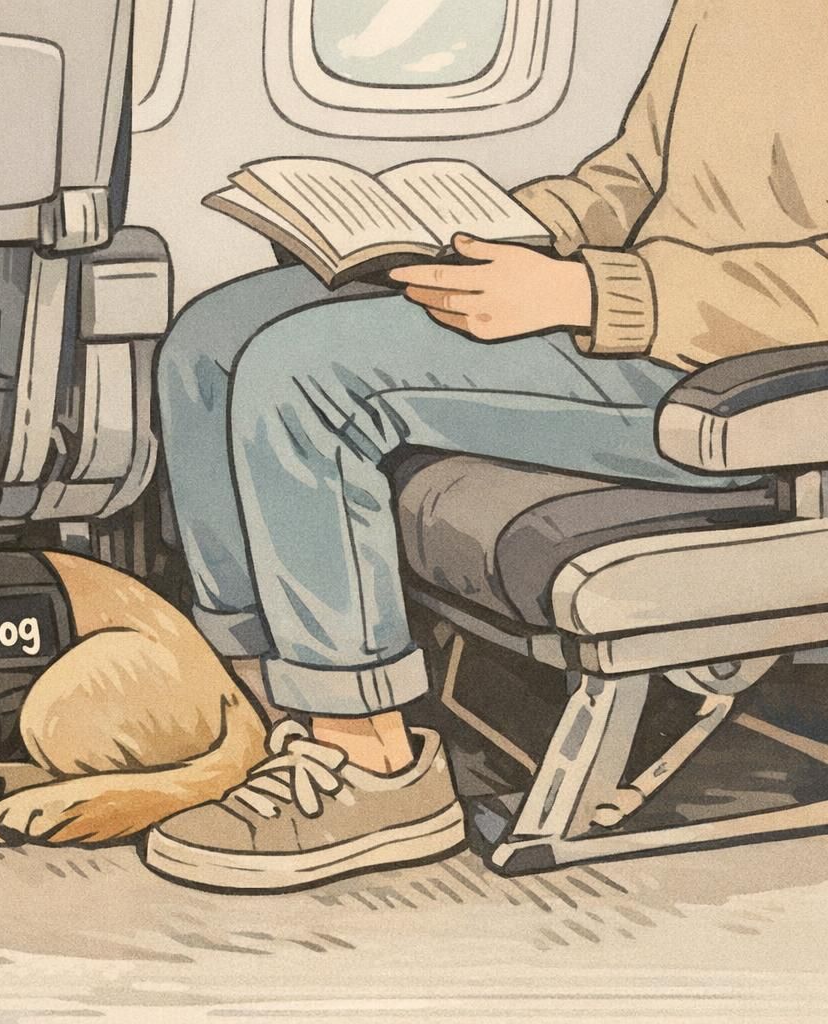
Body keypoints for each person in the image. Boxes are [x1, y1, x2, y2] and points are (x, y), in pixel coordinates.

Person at [145, 0, 828, 891]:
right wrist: (484, 238)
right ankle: (261, 708)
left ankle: (372, 765)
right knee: (213, 341)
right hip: (634, 317)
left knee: (304, 373)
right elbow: (634, 178)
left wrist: (584, 294)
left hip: (733, 384)